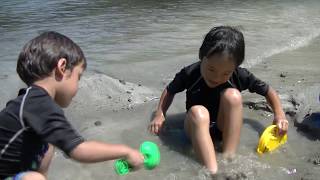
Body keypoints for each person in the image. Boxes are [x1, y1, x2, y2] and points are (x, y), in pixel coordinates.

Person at [0, 31, 144, 180]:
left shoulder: (29, 101)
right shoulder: (39, 103)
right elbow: (79, 150)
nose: (78, 85)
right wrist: (126, 151)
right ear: (62, 67)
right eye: (78, 77)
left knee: (48, 144)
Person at [149, 26, 289, 174]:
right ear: (201, 56)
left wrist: (279, 114)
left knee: (233, 96)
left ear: (235, 67)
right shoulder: (190, 73)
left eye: (226, 73)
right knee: (199, 112)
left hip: (223, 129)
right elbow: (170, 90)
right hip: (195, 128)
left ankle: (229, 156)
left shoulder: (239, 75)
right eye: (211, 69)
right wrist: (160, 114)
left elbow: (268, 91)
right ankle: (213, 171)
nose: (216, 77)